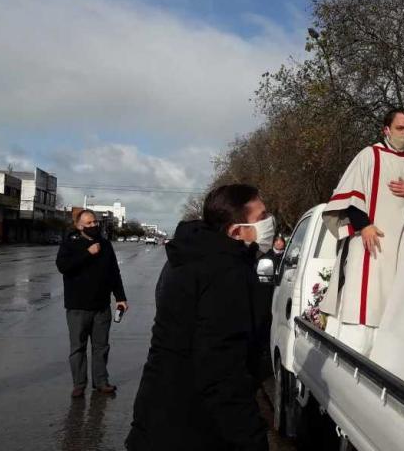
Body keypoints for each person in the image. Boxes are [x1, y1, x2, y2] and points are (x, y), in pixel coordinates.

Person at [125, 184, 272, 451]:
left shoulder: (189, 256)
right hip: (192, 426)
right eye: (261, 218)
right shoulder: (226, 273)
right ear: (236, 231)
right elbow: (223, 371)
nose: (269, 222)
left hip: (157, 414)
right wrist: (252, 439)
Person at [319, 108, 404, 355]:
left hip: (402, 247)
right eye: (400, 128)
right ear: (386, 130)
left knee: (394, 306)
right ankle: (352, 355)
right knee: (363, 303)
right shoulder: (369, 155)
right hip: (367, 242)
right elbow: (349, 195)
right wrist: (364, 225)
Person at [56, 209, 128, 398]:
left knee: (101, 346)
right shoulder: (70, 244)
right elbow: (63, 267)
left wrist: (120, 297)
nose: (94, 226)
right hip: (77, 307)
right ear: (80, 226)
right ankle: (79, 384)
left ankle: (101, 382)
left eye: (95, 222)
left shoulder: (105, 245)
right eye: (89, 223)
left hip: (101, 306)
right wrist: (87, 253)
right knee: (78, 347)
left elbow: (114, 272)